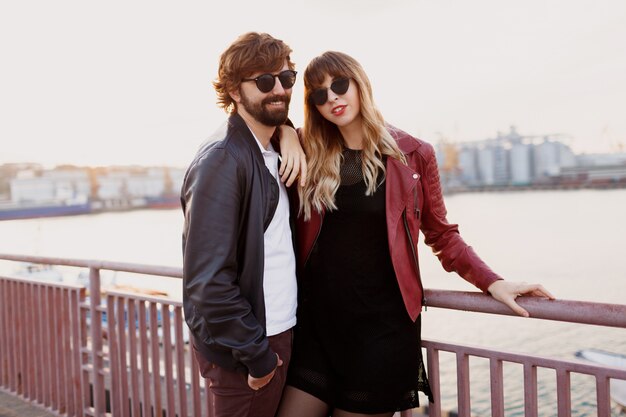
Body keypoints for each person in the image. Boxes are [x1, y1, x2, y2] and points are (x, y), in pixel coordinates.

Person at [276, 51, 555, 417]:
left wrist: (492, 282)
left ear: (360, 84)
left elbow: (441, 234)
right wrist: (286, 133)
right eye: (319, 94)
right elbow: (270, 129)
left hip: (381, 333)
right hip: (319, 330)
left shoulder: (413, 154)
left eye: (340, 85)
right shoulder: (310, 149)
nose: (332, 98)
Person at [180, 32, 306, 417]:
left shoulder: (268, 150)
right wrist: (258, 357)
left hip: (277, 332)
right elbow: (208, 282)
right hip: (251, 348)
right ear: (235, 92)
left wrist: (289, 132)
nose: (279, 90)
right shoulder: (222, 160)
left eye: (286, 79)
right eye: (264, 81)